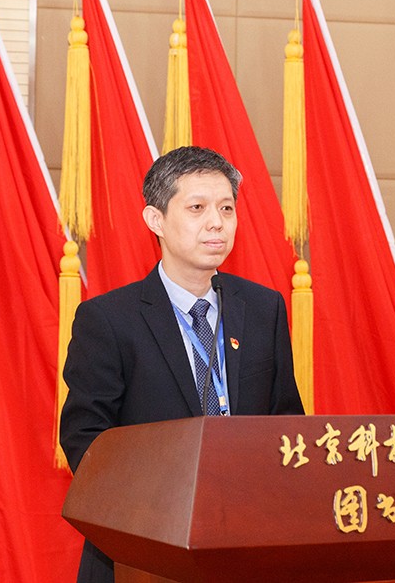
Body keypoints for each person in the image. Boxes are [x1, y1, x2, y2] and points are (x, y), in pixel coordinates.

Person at [59, 146, 304, 582]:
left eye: (226, 208)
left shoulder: (263, 308)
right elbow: (87, 440)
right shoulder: (109, 319)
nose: (217, 222)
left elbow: (286, 423)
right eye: (197, 208)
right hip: (143, 547)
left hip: (245, 542)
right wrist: (159, 507)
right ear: (156, 220)